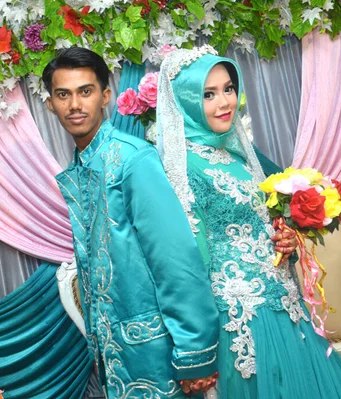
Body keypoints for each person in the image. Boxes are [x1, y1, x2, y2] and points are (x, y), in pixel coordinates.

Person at [155, 45, 341, 398]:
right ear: (185, 101)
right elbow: (188, 261)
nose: (225, 102)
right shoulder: (181, 168)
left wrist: (283, 242)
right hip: (238, 318)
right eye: (208, 94)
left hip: (283, 306)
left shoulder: (238, 156)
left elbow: (255, 224)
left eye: (228, 88)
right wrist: (198, 344)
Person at [42, 47, 219, 398]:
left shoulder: (132, 159)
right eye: (63, 94)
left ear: (105, 96)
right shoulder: (80, 167)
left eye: (86, 91)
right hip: (116, 354)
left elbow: (175, 260)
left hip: (157, 353)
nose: (75, 104)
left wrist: (194, 353)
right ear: (50, 104)